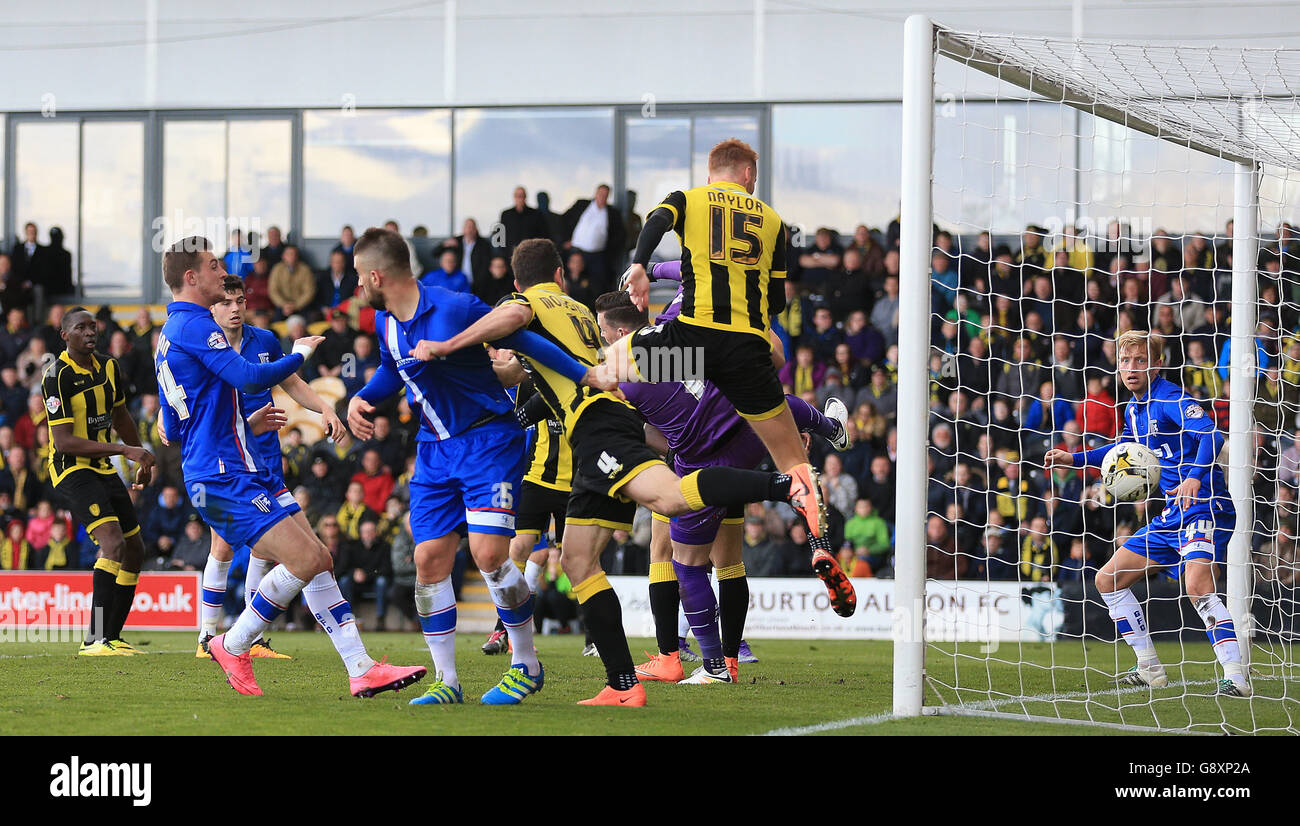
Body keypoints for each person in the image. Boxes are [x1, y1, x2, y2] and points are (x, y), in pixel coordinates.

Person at [412, 238, 822, 706]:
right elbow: (535, 371)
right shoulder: (586, 317)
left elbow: (515, 320)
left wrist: (449, 345)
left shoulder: (530, 307)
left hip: (602, 429)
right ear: (562, 275)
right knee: (578, 559)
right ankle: (626, 684)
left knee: (669, 505)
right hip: (637, 432)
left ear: (517, 282)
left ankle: (788, 486)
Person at [343, 227, 611, 706]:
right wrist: (362, 398)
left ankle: (526, 663)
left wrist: (585, 373)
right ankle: (448, 682)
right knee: (427, 560)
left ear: (377, 275)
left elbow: (526, 340)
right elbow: (391, 369)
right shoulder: (384, 323)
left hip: (487, 440)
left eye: (360, 277)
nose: (356, 286)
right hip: (432, 451)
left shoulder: (455, 307)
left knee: (490, 555)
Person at [155, 236, 426, 697]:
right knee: (300, 559)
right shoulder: (197, 325)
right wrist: (300, 353)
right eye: (214, 265)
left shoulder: (173, 332)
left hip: (237, 468)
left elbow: (177, 426)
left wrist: (242, 421)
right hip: (223, 474)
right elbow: (245, 377)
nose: (223, 273)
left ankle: (360, 667)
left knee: (319, 559)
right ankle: (231, 642)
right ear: (191, 276)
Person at [594, 288, 852, 684]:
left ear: (621, 331)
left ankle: (704, 662)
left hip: (701, 468)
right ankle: (830, 431)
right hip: (743, 428)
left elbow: (641, 431)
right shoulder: (677, 333)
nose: (603, 341)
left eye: (605, 332)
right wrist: (648, 270)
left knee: (685, 565)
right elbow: (692, 283)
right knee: (730, 560)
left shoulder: (620, 373)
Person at [614, 138, 829, 548]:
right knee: (793, 459)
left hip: (693, 340)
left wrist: (641, 265)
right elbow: (778, 301)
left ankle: (625, 443)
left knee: (613, 367)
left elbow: (657, 219)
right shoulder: (773, 221)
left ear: (711, 173)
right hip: (747, 348)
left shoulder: (690, 199)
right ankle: (820, 543)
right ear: (748, 174)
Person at [1045, 330, 1249, 697]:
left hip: (1206, 505)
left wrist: (1195, 479)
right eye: (1125, 361)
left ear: (1156, 364)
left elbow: (1212, 436)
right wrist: (1073, 458)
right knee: (1107, 580)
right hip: (1173, 514)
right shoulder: (1135, 409)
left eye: (1140, 360)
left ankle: (1235, 675)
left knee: (1197, 585)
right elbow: (1121, 449)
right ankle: (1150, 668)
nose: (1131, 368)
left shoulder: (1170, 399)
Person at [188, 275, 361, 667]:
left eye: (240, 300)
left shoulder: (263, 340)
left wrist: (326, 408)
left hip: (265, 458)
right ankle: (208, 634)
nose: (235, 308)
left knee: (275, 551)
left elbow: (291, 380)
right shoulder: (202, 348)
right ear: (211, 307)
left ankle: (253, 637)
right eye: (226, 301)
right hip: (227, 463)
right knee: (225, 545)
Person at [43, 307, 155, 655]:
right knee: (112, 543)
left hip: (103, 466)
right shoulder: (55, 376)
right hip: (71, 468)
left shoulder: (109, 366)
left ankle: (111, 637)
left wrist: (141, 456)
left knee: (135, 550)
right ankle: (94, 638)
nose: (90, 332)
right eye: (81, 328)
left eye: (93, 327)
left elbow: (120, 414)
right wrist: (125, 450)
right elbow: (63, 441)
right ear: (65, 335)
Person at [561, 184, 626, 295]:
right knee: (573, 281)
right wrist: (565, 240)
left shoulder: (612, 213)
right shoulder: (582, 204)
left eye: (605, 195)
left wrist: (609, 252)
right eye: (600, 194)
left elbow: (619, 236)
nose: (602, 197)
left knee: (598, 284)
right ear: (595, 194)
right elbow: (564, 219)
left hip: (598, 255)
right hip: (577, 251)